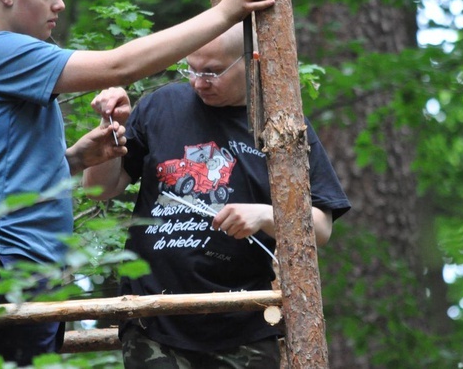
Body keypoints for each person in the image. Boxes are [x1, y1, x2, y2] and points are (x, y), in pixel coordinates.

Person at [0, 0, 278, 365]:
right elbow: (119, 64)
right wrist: (227, 11)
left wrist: (77, 159)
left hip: (15, 260)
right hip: (2, 262)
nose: (59, 4)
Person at [83, 23, 351, 368]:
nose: (198, 82)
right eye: (191, 69)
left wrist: (266, 215)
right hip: (153, 317)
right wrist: (109, 138)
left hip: (243, 324)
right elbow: (99, 189)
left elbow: (322, 227)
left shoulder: (284, 124)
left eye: (212, 72)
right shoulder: (160, 106)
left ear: (250, 60)